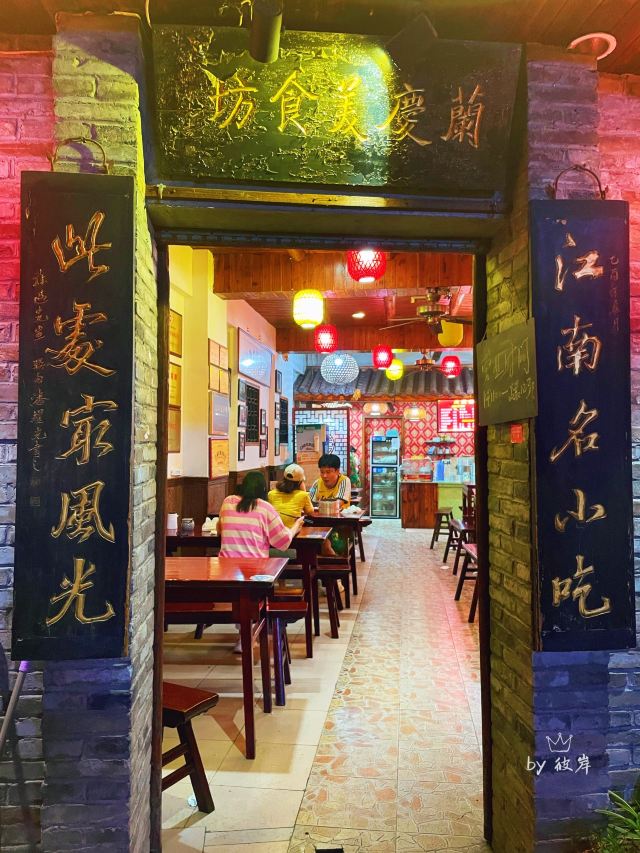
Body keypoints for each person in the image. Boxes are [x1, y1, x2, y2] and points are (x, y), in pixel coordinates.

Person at [218, 471, 304, 651]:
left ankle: (244, 634)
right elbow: (283, 542)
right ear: (264, 490)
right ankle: (247, 636)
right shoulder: (265, 508)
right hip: (254, 575)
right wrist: (296, 526)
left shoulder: (227, 502)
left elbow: (220, 529)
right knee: (254, 583)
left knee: (241, 585)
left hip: (224, 574)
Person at [308, 453, 352, 557]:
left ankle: (328, 548)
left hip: (339, 521)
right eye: (322, 472)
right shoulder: (316, 483)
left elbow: (339, 503)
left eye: (328, 472)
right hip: (319, 521)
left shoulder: (344, 481)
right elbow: (309, 503)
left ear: (337, 471)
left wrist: (320, 504)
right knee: (306, 522)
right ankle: (322, 548)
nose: (324, 476)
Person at [268, 463, 314, 527]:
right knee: (311, 522)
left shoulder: (271, 494)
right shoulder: (303, 495)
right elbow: (310, 512)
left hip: (274, 530)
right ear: (300, 482)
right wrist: (304, 491)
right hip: (292, 530)